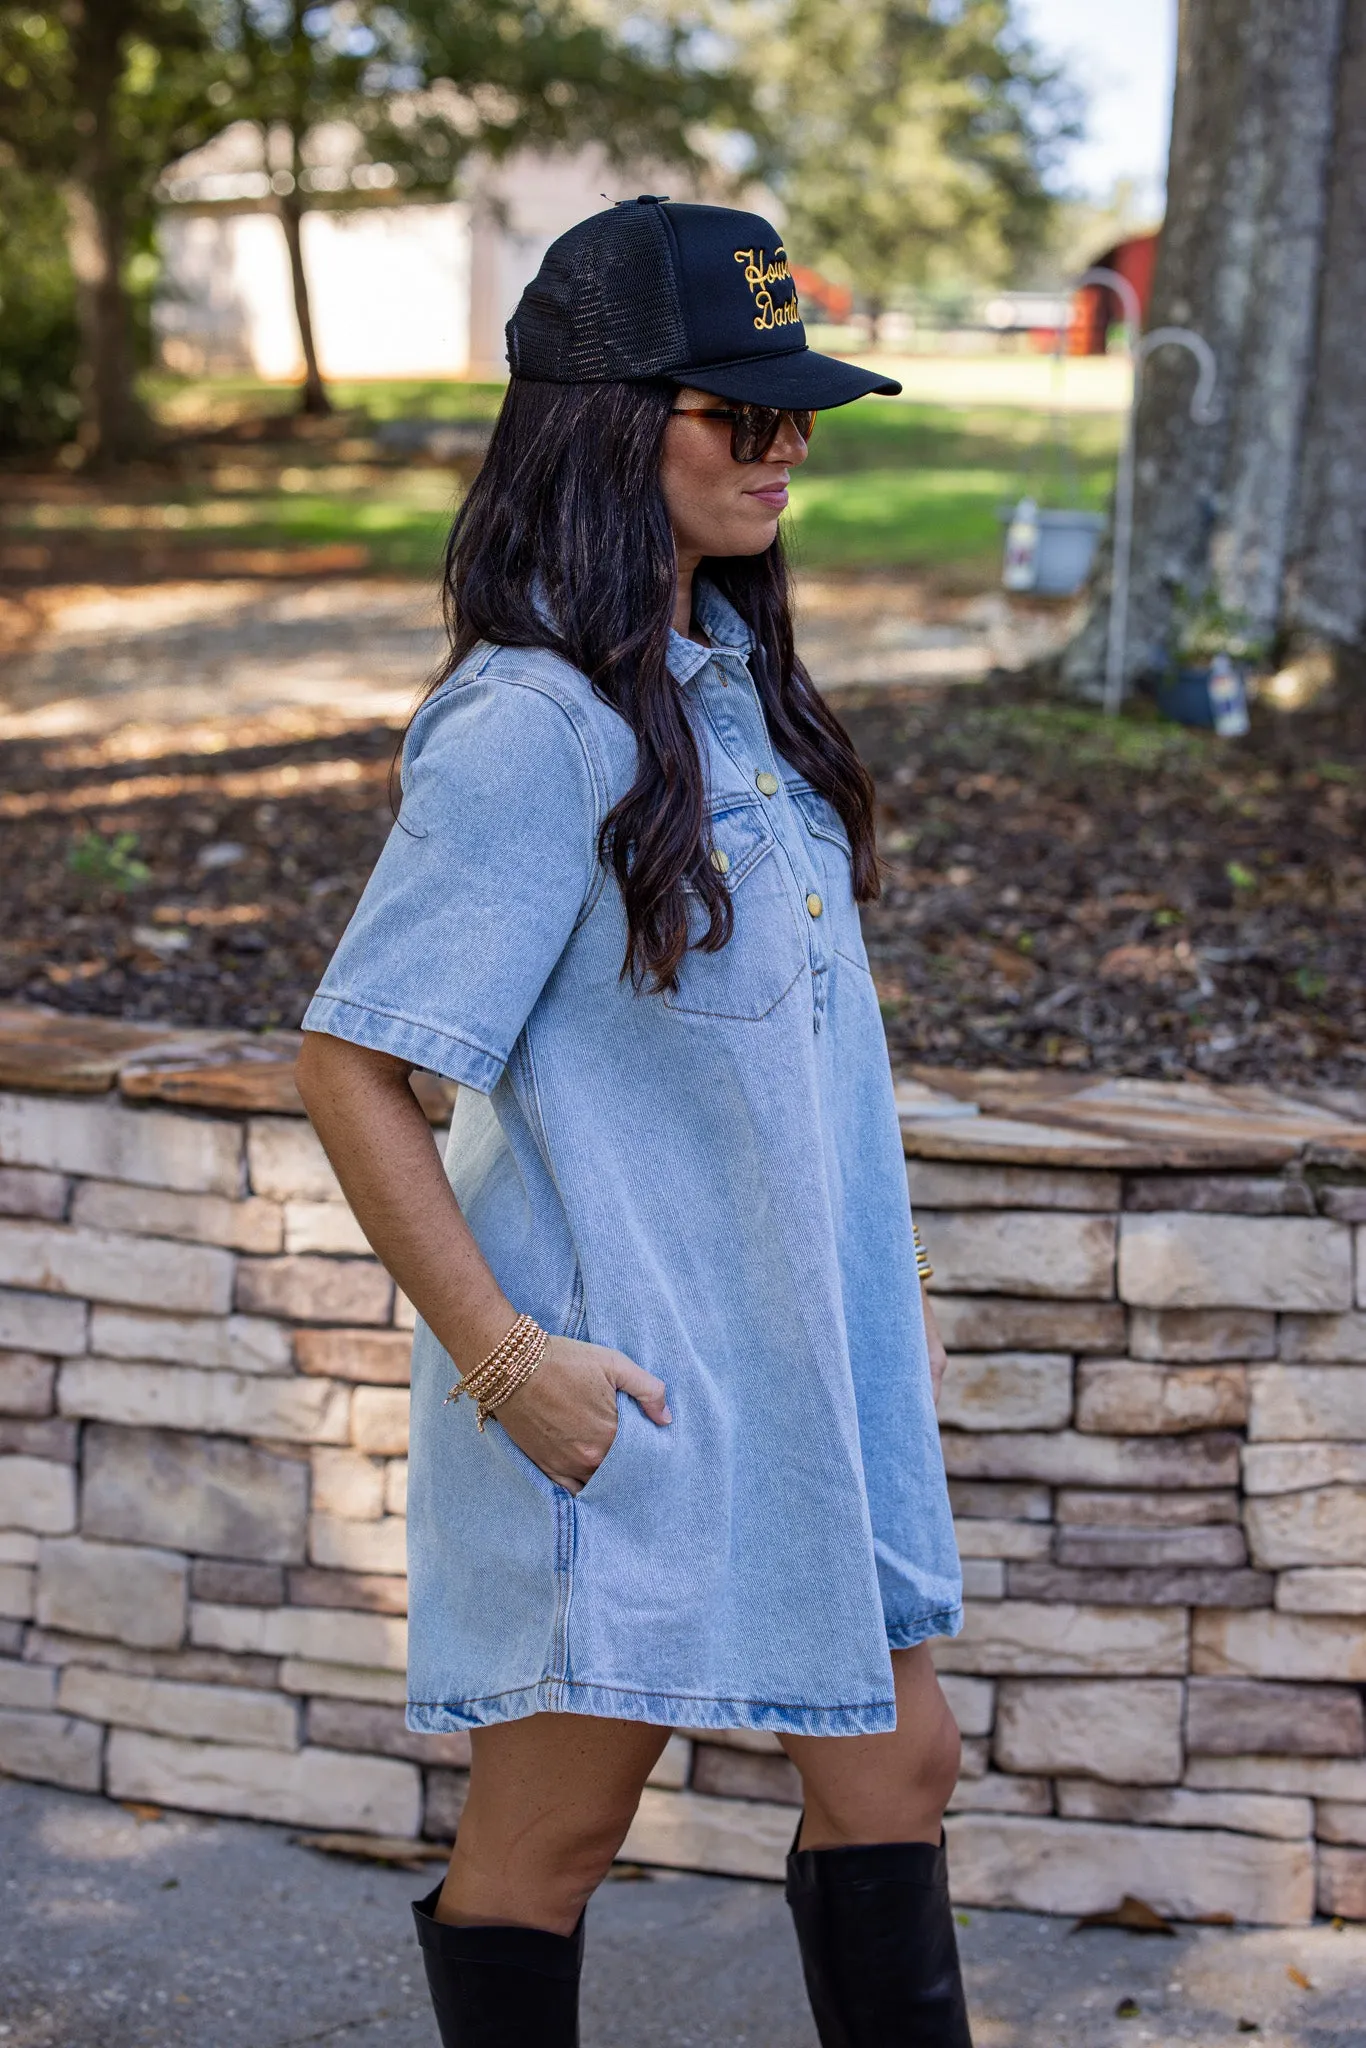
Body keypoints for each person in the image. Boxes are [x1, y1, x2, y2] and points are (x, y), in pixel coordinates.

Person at [295, 195, 971, 2047]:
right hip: (634, 1399)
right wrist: (518, 1372)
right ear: (609, 422)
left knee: (897, 1767)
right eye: (740, 414)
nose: (789, 448)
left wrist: (881, 1295)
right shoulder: (528, 730)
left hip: (802, 1374)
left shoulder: (733, 689)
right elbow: (352, 1065)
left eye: (797, 414)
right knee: (556, 1838)